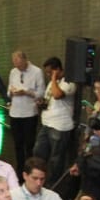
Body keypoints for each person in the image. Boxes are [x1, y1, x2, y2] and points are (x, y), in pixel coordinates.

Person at [33, 56, 76, 184]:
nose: (48, 75)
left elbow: (57, 95)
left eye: (49, 72)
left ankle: (53, 184)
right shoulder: (52, 83)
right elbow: (49, 98)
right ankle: (39, 179)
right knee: (38, 152)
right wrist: (41, 103)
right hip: (46, 124)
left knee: (56, 159)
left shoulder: (69, 83)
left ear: (57, 70)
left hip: (60, 126)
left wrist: (53, 78)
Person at [7, 50, 45, 171]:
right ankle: (19, 169)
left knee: (29, 144)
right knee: (17, 144)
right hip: (15, 112)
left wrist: (26, 92)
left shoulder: (37, 72)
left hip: (29, 113)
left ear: (24, 60)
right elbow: (8, 91)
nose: (17, 67)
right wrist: (11, 92)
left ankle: (29, 168)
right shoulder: (13, 72)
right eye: (15, 64)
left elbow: (41, 93)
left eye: (19, 64)